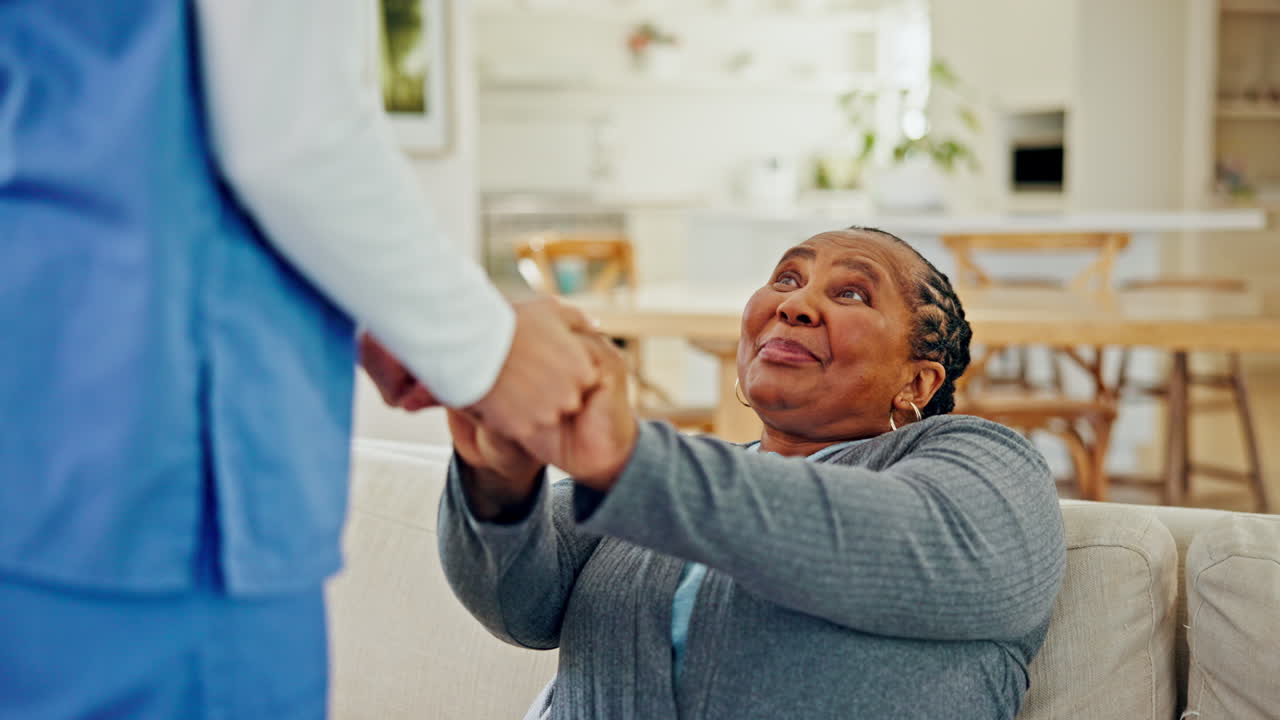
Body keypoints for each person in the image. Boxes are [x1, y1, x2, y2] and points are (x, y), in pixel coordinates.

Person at [0, 1, 596, 717]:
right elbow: (290, 133)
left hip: (44, 416)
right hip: (163, 471)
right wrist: (487, 351)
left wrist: (370, 301)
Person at [439, 228, 1068, 719]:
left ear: (917, 380)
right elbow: (518, 606)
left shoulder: (983, 461)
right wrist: (497, 466)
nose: (795, 304)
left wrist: (623, 455)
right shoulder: (666, 474)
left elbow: (924, 548)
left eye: (851, 293)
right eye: (787, 279)